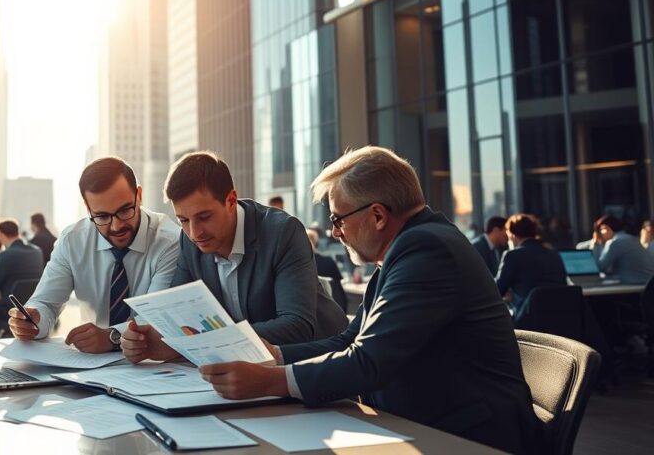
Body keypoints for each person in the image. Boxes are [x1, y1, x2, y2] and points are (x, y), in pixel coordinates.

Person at [193, 146, 541, 455]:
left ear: (377, 215)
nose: (334, 233)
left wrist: (268, 380)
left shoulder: (426, 250)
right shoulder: (407, 249)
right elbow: (349, 340)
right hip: (422, 424)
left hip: (468, 437)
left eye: (337, 218)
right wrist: (276, 356)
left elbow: (369, 361)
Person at [121, 152, 347, 364]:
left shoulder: (282, 232)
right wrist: (151, 340)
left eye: (204, 217)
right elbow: (179, 315)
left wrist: (209, 340)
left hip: (316, 364)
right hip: (244, 367)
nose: (194, 232)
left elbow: (296, 326)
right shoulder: (188, 242)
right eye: (183, 220)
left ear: (231, 201)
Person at [8, 157, 180, 353]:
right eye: (102, 216)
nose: (116, 226)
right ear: (88, 208)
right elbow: (46, 303)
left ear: (138, 195)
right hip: (90, 364)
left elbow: (157, 317)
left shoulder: (170, 241)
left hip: (151, 363)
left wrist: (111, 336)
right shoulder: (72, 240)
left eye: (125, 211)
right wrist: (33, 321)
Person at [0, 219, 45, 332]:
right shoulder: (37, 251)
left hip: (11, 309)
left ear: (1, 235)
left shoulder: (6, 254)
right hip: (33, 307)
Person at [495, 214, 567, 316]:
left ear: (512, 235)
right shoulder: (554, 254)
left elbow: (497, 291)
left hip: (527, 318)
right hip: (558, 315)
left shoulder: (512, 255)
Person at [591, 214, 654, 284]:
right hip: (646, 285)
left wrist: (596, 243)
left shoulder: (615, 242)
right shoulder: (630, 238)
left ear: (607, 228)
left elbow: (599, 267)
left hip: (635, 286)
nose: (600, 234)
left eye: (600, 230)